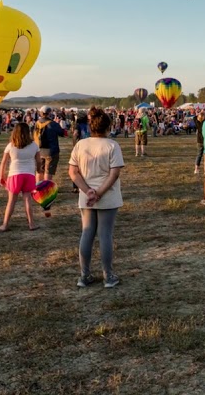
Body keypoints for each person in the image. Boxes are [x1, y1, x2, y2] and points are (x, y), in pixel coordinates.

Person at [68, 107, 125, 288]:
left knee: (87, 233)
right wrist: (99, 192)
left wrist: (88, 191)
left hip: (86, 197)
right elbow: (114, 174)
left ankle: (84, 275)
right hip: (107, 196)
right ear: (108, 127)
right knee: (105, 234)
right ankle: (108, 276)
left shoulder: (80, 145)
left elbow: (73, 172)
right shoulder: (112, 146)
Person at [0, 122, 40, 231]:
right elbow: (39, 161)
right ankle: (31, 224)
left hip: (15, 175)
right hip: (29, 175)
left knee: (11, 201)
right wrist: (39, 170)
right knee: (27, 199)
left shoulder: (11, 145)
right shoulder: (34, 145)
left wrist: (1, 175)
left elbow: (3, 162)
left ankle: (5, 224)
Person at [35, 107, 64, 184]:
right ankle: (46, 189)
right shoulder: (53, 124)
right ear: (49, 113)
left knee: (39, 170)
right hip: (51, 151)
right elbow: (62, 133)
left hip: (38, 150)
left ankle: (38, 188)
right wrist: (57, 123)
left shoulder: (37, 123)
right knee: (48, 172)